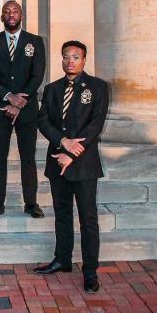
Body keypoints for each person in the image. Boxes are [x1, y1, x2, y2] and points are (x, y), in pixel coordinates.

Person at [34, 40, 109, 293]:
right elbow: (43, 121)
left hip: (84, 164)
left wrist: (73, 154)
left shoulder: (98, 87)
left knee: (88, 219)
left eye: (75, 57)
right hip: (57, 162)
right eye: (66, 56)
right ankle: (62, 259)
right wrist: (62, 142)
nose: (70, 61)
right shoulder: (53, 89)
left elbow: (95, 125)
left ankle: (90, 272)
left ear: (84, 60)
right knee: (62, 214)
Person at [0, 0, 46, 219]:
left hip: (27, 111)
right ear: (2, 17)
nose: (11, 14)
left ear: (21, 15)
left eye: (15, 11)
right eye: (7, 12)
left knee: (27, 157)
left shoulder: (35, 42)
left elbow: (37, 75)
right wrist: (9, 97)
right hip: (0, 109)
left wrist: (20, 101)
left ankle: (31, 203)